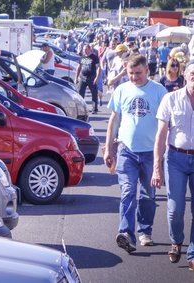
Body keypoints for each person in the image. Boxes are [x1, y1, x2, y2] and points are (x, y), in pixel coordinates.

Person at [104, 54, 167, 254]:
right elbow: (114, 120)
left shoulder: (159, 91)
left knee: (148, 196)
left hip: (150, 152)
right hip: (127, 151)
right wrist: (107, 147)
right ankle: (126, 234)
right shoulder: (122, 90)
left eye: (138, 73)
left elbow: (166, 124)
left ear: (147, 69)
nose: (134, 77)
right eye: (130, 73)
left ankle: (145, 231)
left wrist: (162, 155)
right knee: (128, 192)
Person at [151, 60, 194, 270]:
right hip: (175, 158)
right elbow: (160, 135)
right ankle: (176, 241)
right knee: (175, 209)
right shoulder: (171, 98)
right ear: (185, 76)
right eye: (193, 74)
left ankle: (193, 252)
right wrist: (157, 167)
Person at [75, 44, 101, 113]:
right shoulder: (82, 58)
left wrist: (97, 78)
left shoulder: (94, 57)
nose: (84, 51)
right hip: (82, 78)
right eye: (83, 49)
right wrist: (76, 77)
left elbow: (98, 68)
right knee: (80, 93)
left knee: (94, 93)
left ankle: (94, 108)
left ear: (90, 49)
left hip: (92, 78)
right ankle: (81, 109)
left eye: (86, 49)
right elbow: (79, 67)